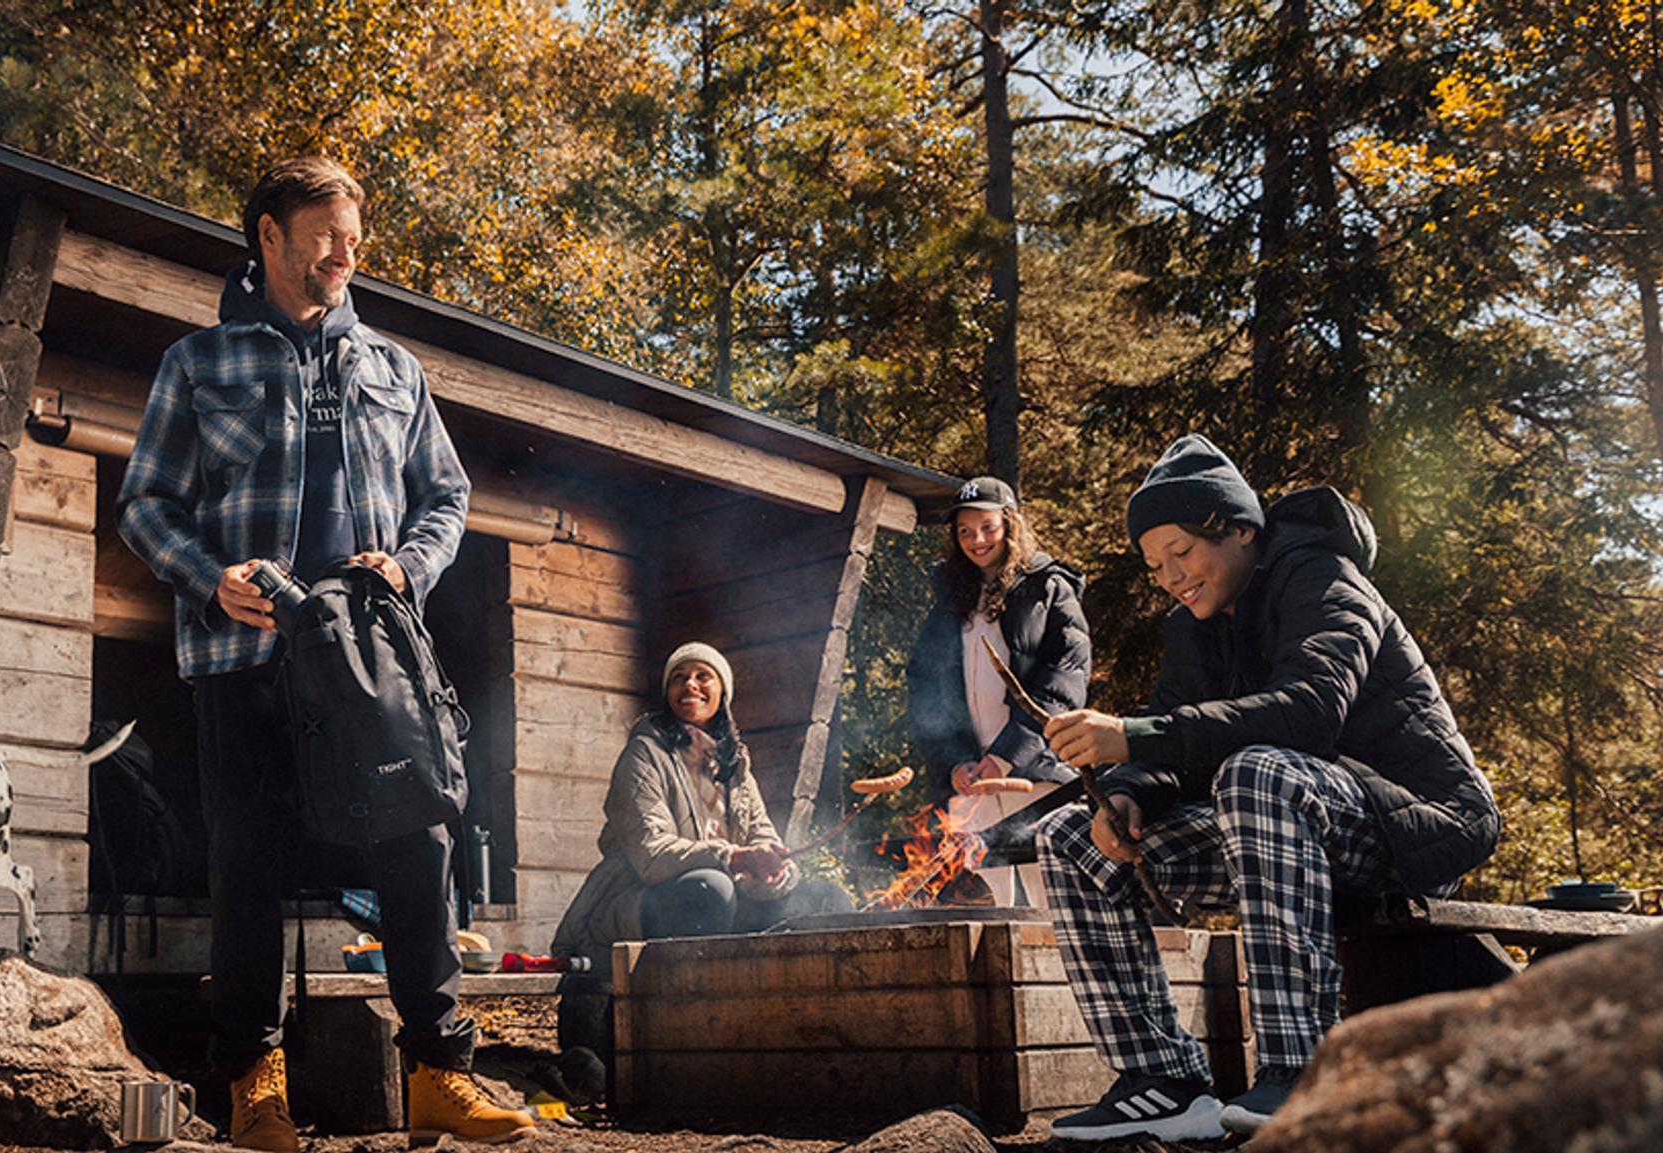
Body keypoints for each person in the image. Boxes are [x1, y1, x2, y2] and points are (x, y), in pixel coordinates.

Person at [118, 157, 533, 1147]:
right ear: (269, 234)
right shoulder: (198, 362)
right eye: (328, 234)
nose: (347, 253)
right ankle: (253, 1087)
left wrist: (409, 569)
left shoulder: (394, 368)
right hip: (243, 654)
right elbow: (144, 504)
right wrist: (208, 575)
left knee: (418, 842)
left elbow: (448, 494)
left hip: (375, 660)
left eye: (355, 236)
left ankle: (439, 1075)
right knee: (246, 860)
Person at [1036, 436, 1500, 1142]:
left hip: (1414, 822)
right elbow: (1174, 749)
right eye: (1156, 565)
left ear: (1239, 529)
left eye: (1181, 552)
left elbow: (1311, 712)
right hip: (1282, 829)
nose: (1169, 576)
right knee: (1070, 836)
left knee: (1257, 771)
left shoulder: (1323, 579)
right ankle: (1162, 1079)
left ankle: (1301, 1068)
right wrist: (1127, 792)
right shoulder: (1192, 628)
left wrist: (1133, 734)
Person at [550, 643, 853, 1050]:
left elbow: (764, 836)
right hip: (636, 903)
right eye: (679, 677)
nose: (689, 684)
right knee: (710, 889)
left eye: (702, 676)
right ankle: (689, 1035)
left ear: (722, 693)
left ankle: (811, 1034)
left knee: (827, 899)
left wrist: (773, 872)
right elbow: (651, 855)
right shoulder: (645, 753)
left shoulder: (734, 765)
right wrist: (735, 857)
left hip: (722, 899)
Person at [906, 476, 1089, 906]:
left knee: (1052, 895)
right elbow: (924, 688)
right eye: (965, 532)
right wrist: (954, 764)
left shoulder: (1048, 588)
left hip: (1036, 773)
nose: (977, 540)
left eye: (987, 527)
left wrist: (1007, 757)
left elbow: (1065, 679)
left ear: (1009, 524)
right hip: (973, 783)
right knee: (991, 902)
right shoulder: (949, 602)